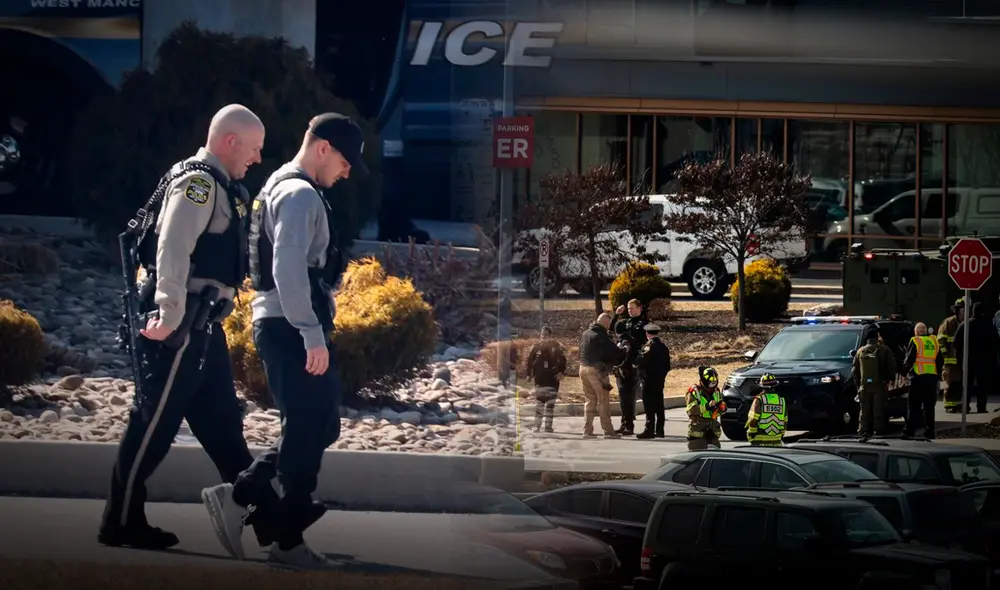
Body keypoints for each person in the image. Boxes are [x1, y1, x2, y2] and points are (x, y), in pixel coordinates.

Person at [100, 105, 279, 551]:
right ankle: (120, 521)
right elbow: (173, 247)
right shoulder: (199, 183)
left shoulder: (223, 185)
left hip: (204, 331)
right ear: (230, 141)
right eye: (254, 149)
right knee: (152, 427)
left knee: (224, 431)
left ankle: (276, 528)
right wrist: (169, 312)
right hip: (179, 329)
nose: (257, 159)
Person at [201, 113, 368, 569]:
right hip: (290, 326)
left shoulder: (281, 183)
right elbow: (288, 270)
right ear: (322, 148)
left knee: (317, 425)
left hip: (283, 324)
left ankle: (251, 500)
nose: (348, 170)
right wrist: (311, 333)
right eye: (346, 160)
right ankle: (278, 533)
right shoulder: (297, 194)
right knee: (309, 426)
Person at [579, 313, 625, 439]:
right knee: (603, 400)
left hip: (583, 369)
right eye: (609, 324)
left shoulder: (586, 333)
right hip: (597, 371)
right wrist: (624, 350)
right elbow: (614, 353)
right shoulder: (601, 336)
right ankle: (608, 431)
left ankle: (587, 431)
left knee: (589, 400)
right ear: (605, 323)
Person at [954, 301, 1000, 414]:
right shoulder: (989, 325)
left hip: (968, 359)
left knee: (967, 385)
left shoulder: (965, 324)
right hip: (985, 360)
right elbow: (996, 343)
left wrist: (959, 358)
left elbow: (956, 342)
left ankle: (965, 407)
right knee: (982, 385)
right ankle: (981, 407)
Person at [852, 326, 897, 438]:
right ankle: (878, 431)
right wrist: (888, 379)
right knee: (878, 410)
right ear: (876, 338)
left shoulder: (860, 351)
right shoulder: (884, 349)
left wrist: (858, 384)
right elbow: (892, 367)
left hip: (864, 386)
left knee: (864, 411)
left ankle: (863, 431)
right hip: (879, 385)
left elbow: (854, 370)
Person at [902, 322, 943, 438]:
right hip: (932, 378)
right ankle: (930, 431)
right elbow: (940, 361)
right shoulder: (934, 341)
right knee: (929, 407)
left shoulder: (915, 341)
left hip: (918, 378)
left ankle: (909, 431)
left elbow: (909, 359)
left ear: (916, 332)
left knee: (914, 406)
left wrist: (904, 374)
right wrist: (937, 374)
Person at [612, 299, 647, 435]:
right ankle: (624, 423)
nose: (630, 311)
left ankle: (629, 425)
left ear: (639, 308)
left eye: (632, 308)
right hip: (623, 363)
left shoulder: (643, 323)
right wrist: (616, 315)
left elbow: (639, 342)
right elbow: (613, 329)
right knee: (623, 396)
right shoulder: (626, 322)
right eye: (628, 308)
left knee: (628, 395)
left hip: (633, 364)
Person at [526, 326, 567, 433]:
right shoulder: (536, 347)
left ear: (550, 336)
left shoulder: (556, 347)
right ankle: (537, 426)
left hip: (553, 379)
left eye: (546, 335)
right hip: (539, 379)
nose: (544, 337)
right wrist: (528, 374)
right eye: (542, 335)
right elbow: (530, 361)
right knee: (540, 402)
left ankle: (548, 426)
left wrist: (561, 373)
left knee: (550, 403)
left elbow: (563, 361)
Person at [634, 323, 670, 440]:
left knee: (649, 405)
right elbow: (667, 366)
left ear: (647, 333)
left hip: (648, 380)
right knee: (659, 405)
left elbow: (641, 361)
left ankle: (649, 429)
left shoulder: (648, 347)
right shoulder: (664, 347)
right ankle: (660, 430)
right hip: (659, 380)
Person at [685, 366, 725, 450]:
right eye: (711, 383)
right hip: (698, 432)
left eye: (714, 383)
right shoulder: (694, 391)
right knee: (698, 458)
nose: (712, 386)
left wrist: (722, 409)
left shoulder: (716, 391)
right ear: (704, 381)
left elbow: (718, 410)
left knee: (715, 457)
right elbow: (691, 410)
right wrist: (707, 406)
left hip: (712, 431)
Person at [938, 299, 964, 413]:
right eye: (962, 310)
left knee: (958, 384)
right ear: (957, 311)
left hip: (960, 360)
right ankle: (948, 405)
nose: (964, 313)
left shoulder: (965, 323)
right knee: (949, 384)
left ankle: (957, 404)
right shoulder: (948, 323)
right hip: (949, 360)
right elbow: (940, 339)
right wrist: (945, 355)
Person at [745, 373, 786, 446]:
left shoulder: (759, 400)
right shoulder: (781, 400)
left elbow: (753, 419)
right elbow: (785, 421)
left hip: (759, 440)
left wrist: (752, 433)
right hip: (776, 440)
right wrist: (781, 434)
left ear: (762, 386)